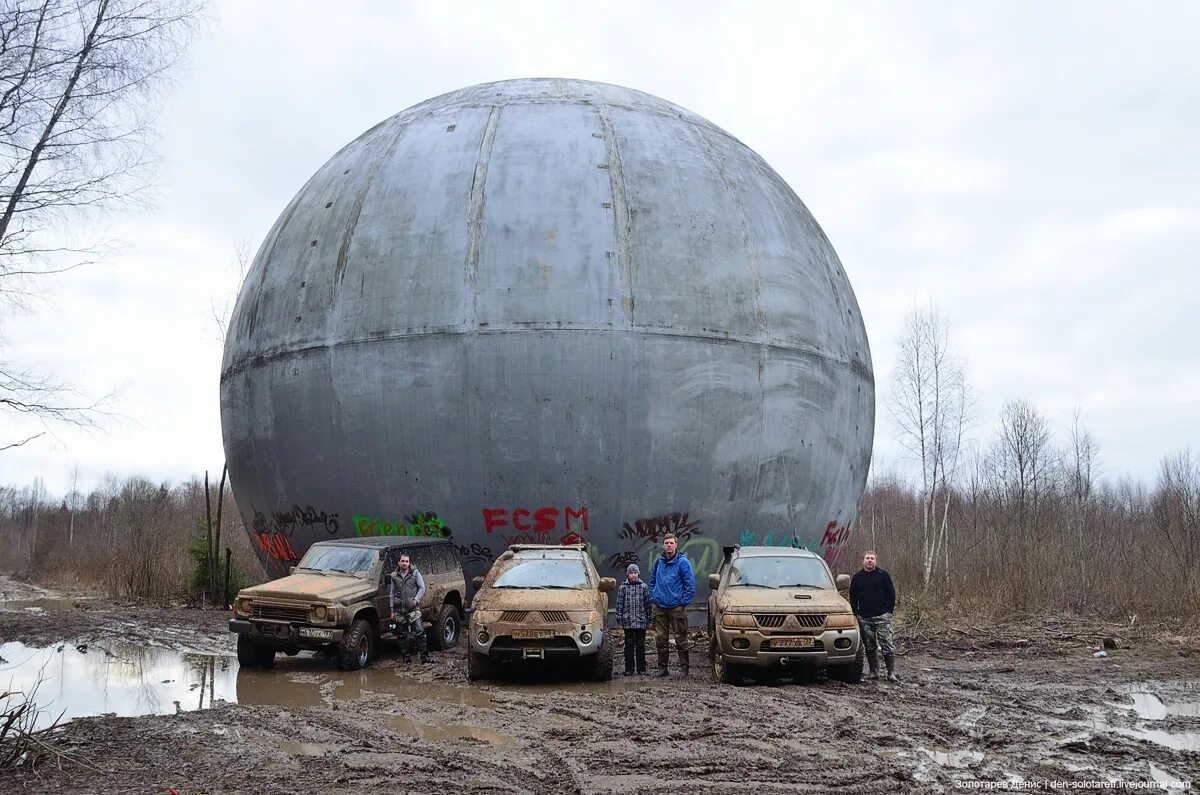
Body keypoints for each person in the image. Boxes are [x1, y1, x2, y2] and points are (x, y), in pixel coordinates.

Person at [648, 533, 695, 676]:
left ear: (676, 545)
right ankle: (662, 669)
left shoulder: (683, 563)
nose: (669, 545)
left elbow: (690, 585)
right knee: (661, 639)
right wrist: (653, 597)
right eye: (666, 543)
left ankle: (684, 668)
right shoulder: (658, 562)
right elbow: (651, 581)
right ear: (663, 545)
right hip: (660, 607)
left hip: (676, 608)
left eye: (671, 543)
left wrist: (682, 603)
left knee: (681, 638)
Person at [849, 550, 898, 682]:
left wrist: (889, 611)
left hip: (882, 616)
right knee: (870, 646)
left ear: (875, 561)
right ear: (863, 561)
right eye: (867, 558)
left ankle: (891, 673)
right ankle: (874, 672)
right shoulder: (857, 577)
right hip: (864, 617)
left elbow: (891, 593)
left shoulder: (883, 575)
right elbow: (852, 596)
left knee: (887, 644)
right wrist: (856, 612)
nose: (870, 560)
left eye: (872, 558)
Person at [388, 553, 429, 664]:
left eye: (407, 561)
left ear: (409, 563)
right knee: (401, 635)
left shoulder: (415, 573)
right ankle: (406, 658)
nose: (405, 563)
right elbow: (392, 593)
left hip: (413, 610)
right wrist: (392, 610)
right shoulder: (394, 576)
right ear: (399, 562)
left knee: (420, 632)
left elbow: (422, 588)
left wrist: (415, 600)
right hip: (399, 610)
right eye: (403, 561)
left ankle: (424, 657)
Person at [615, 563, 652, 675]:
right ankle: (629, 668)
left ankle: (641, 668)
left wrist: (649, 619)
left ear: (638, 573)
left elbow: (648, 604)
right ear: (628, 574)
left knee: (641, 645)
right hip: (628, 622)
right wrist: (619, 620)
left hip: (641, 621)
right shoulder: (623, 588)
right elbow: (619, 605)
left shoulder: (644, 587)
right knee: (629, 646)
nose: (633, 575)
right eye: (631, 573)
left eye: (635, 572)